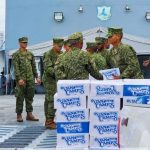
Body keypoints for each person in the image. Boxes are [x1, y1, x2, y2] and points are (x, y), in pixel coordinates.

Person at [12, 37, 41, 122]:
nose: (25, 44)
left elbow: (34, 67)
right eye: (23, 42)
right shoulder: (16, 54)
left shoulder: (30, 54)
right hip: (21, 80)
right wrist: (19, 78)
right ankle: (19, 114)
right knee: (20, 97)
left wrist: (37, 77)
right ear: (20, 43)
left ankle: (29, 114)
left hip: (30, 79)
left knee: (30, 97)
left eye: (26, 42)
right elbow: (16, 68)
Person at [42, 38, 64, 129]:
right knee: (51, 99)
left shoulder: (62, 54)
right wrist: (59, 74)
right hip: (49, 79)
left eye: (61, 46)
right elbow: (48, 68)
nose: (60, 48)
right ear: (54, 44)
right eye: (59, 46)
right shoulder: (48, 54)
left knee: (49, 100)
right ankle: (50, 121)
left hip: (57, 79)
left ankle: (48, 120)